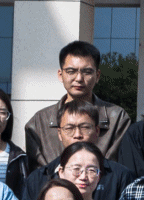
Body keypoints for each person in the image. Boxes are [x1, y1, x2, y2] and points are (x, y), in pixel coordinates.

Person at [23, 41, 133, 170]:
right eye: (71, 71)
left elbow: (115, 171)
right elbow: (39, 175)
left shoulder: (117, 118)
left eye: (87, 72)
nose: (79, 78)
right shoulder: (39, 122)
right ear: (60, 75)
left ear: (97, 75)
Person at [23, 101, 140, 200]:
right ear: (59, 133)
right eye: (69, 128)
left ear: (97, 131)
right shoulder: (38, 179)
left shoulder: (121, 176)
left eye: (85, 127)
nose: (77, 135)